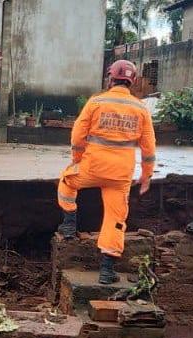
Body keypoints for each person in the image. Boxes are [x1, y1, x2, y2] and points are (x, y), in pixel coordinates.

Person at [56, 60, 157, 285]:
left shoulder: (96, 102)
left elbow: (77, 136)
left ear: (110, 79)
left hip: (93, 167)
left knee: (67, 181)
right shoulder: (141, 108)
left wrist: (77, 160)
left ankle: (69, 224)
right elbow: (149, 147)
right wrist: (146, 175)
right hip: (121, 175)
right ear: (133, 81)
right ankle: (106, 270)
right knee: (115, 218)